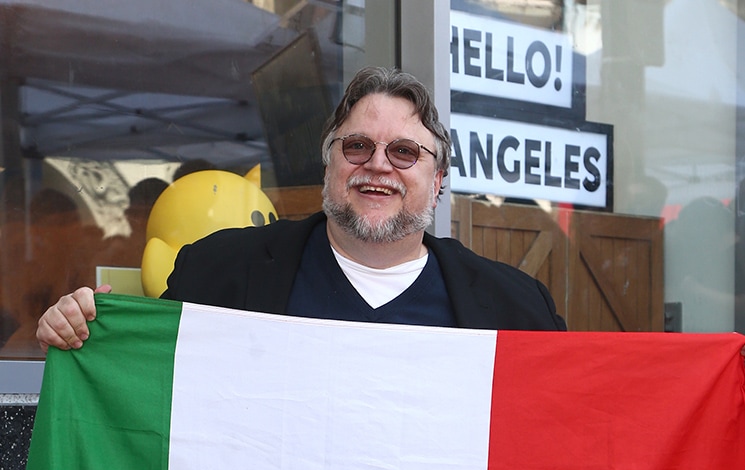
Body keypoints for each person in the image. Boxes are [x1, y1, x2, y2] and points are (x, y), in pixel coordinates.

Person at [36, 67, 566, 354]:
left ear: (439, 180)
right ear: (329, 163)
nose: (378, 166)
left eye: (404, 152)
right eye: (357, 146)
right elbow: (147, 389)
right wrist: (82, 332)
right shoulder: (218, 272)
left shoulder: (517, 309)